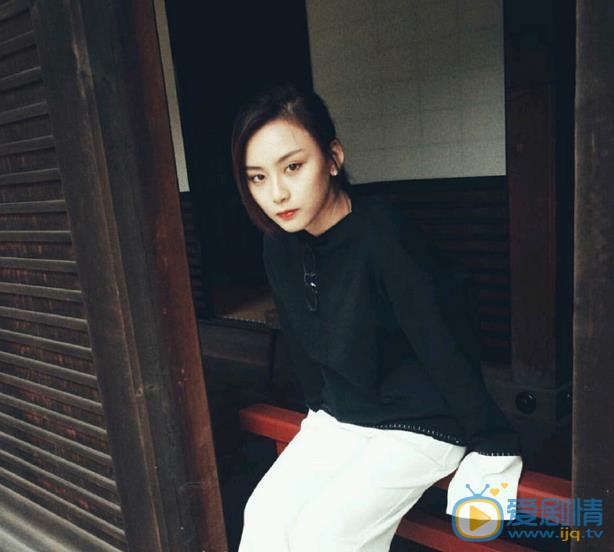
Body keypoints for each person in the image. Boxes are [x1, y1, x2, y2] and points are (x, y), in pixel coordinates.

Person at [230, 83, 523, 552]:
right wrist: (318, 407)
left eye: (293, 167)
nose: (277, 192)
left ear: (333, 157)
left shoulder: (383, 234)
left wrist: (491, 437)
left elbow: (443, 342)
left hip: (419, 420)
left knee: (324, 537)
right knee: (262, 519)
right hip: (341, 415)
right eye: (258, 177)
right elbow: (301, 340)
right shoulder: (278, 244)